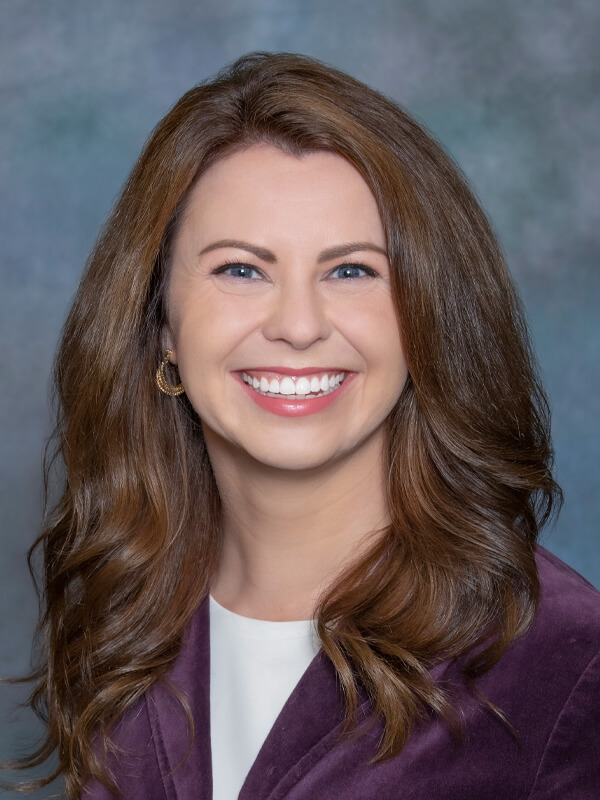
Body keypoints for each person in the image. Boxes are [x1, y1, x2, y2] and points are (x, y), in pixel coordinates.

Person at [9, 52, 600, 799]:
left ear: (424, 320)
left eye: (351, 270)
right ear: (162, 325)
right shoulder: (124, 621)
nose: (297, 325)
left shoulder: (563, 663)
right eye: (241, 270)